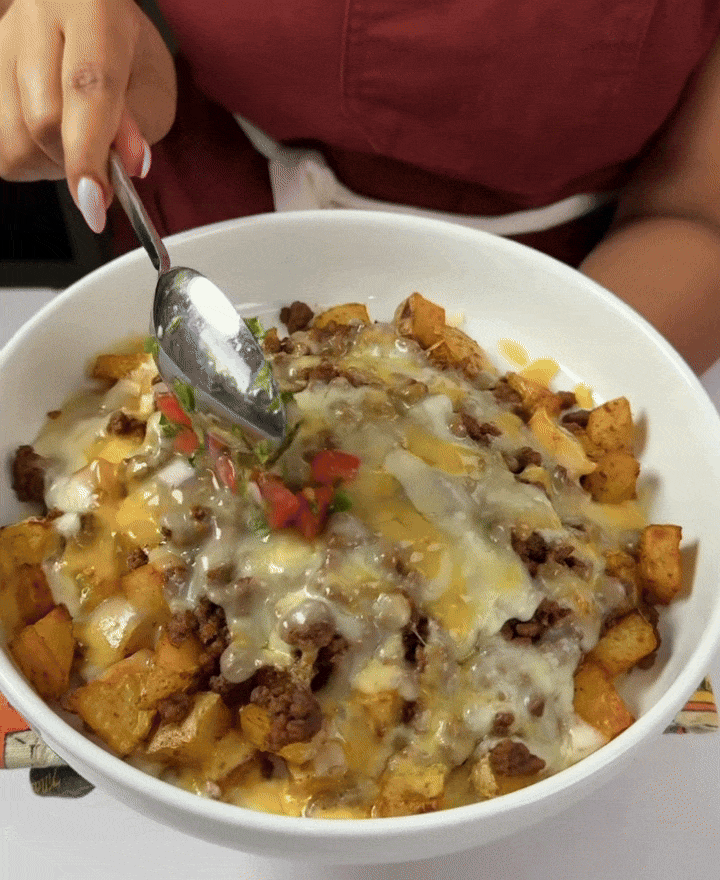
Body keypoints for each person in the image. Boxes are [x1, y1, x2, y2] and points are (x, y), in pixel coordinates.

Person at [1, 0, 719, 374]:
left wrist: (525, 415)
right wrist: (68, 53)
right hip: (193, 220)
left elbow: (699, 214)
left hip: (581, 299)